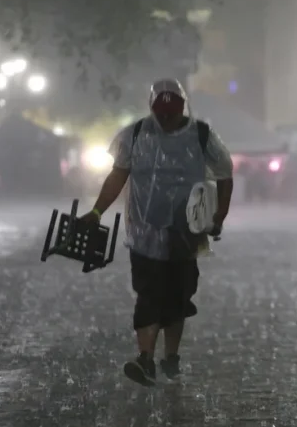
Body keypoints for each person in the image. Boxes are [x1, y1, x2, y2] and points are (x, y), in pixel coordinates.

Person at [81, 78, 234, 386]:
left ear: (183, 109)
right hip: (145, 234)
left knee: (178, 297)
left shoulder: (202, 136)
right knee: (149, 295)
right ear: (151, 108)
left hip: (186, 233)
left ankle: (171, 355)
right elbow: (118, 176)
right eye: (159, 112)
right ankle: (145, 358)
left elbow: (225, 174)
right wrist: (97, 211)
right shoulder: (135, 135)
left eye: (172, 113)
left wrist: (218, 216)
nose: (165, 119)